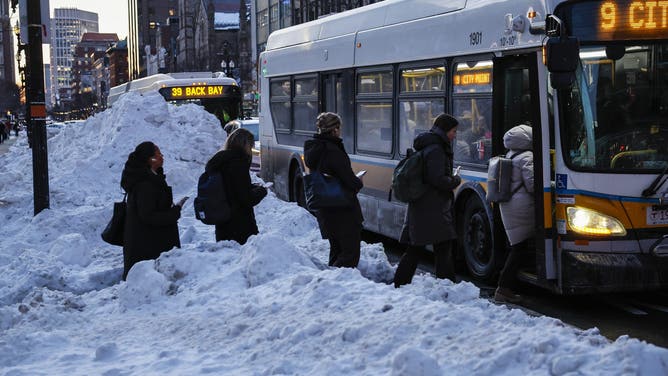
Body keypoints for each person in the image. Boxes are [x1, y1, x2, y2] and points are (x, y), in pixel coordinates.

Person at [393, 113, 462, 287]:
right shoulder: (437, 150)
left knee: (419, 247)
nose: (455, 135)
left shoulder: (429, 145)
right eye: (453, 131)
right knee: (440, 247)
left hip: (424, 205)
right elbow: (437, 179)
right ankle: (446, 286)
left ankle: (401, 283)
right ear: (445, 130)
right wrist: (455, 180)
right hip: (433, 207)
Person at [304, 112, 364, 268]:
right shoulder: (332, 151)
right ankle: (332, 282)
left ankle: (330, 285)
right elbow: (349, 180)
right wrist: (358, 182)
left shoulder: (315, 148)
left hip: (326, 209)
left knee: (336, 250)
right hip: (342, 209)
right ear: (335, 130)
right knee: (349, 254)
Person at [120, 141, 185, 281]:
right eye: (159, 154)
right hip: (147, 248)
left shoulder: (151, 177)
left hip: (149, 243)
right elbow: (148, 216)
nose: (162, 157)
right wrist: (174, 213)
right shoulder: (145, 185)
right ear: (151, 159)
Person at [205, 128, 267, 245]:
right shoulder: (237, 164)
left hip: (223, 224)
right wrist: (262, 191)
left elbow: (231, 188)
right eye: (251, 146)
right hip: (240, 228)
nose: (251, 150)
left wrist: (252, 187)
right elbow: (246, 199)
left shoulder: (220, 161)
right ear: (245, 145)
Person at [494, 124, 534, 303]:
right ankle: (504, 288)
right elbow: (533, 184)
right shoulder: (527, 157)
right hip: (522, 206)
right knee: (519, 248)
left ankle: (506, 286)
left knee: (518, 245)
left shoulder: (511, 154)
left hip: (509, 205)